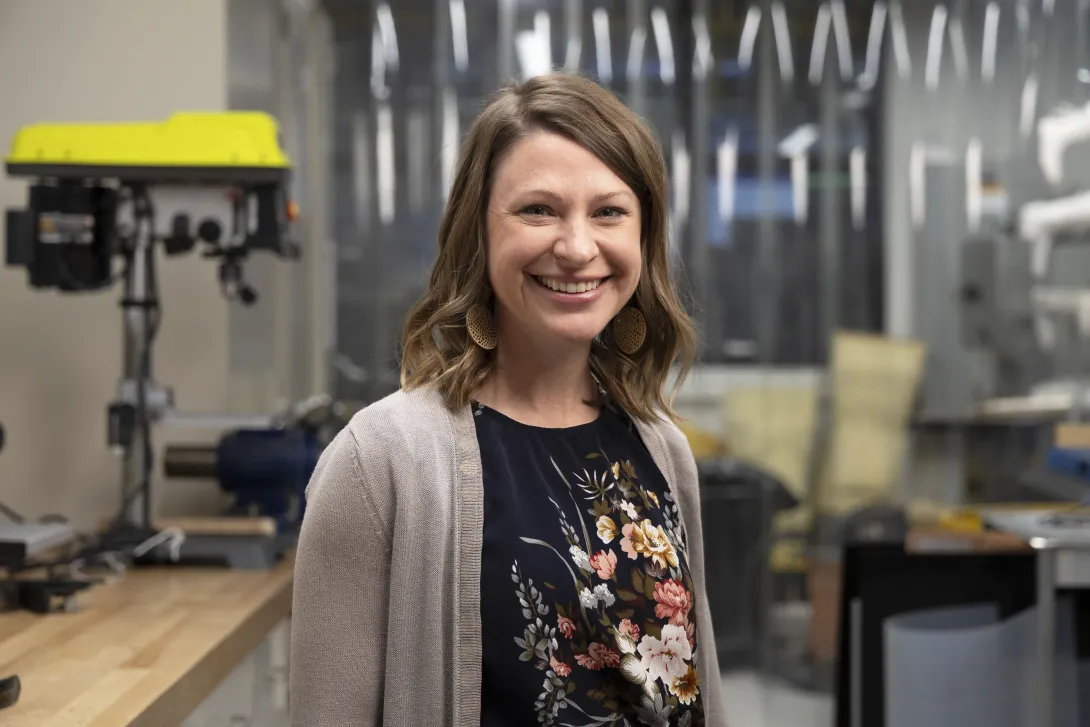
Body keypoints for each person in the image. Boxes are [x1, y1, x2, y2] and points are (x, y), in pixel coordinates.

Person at [291, 71, 727, 727]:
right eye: (538, 210)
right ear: (478, 231)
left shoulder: (661, 447)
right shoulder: (378, 461)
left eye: (608, 212)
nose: (577, 248)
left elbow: (692, 696)